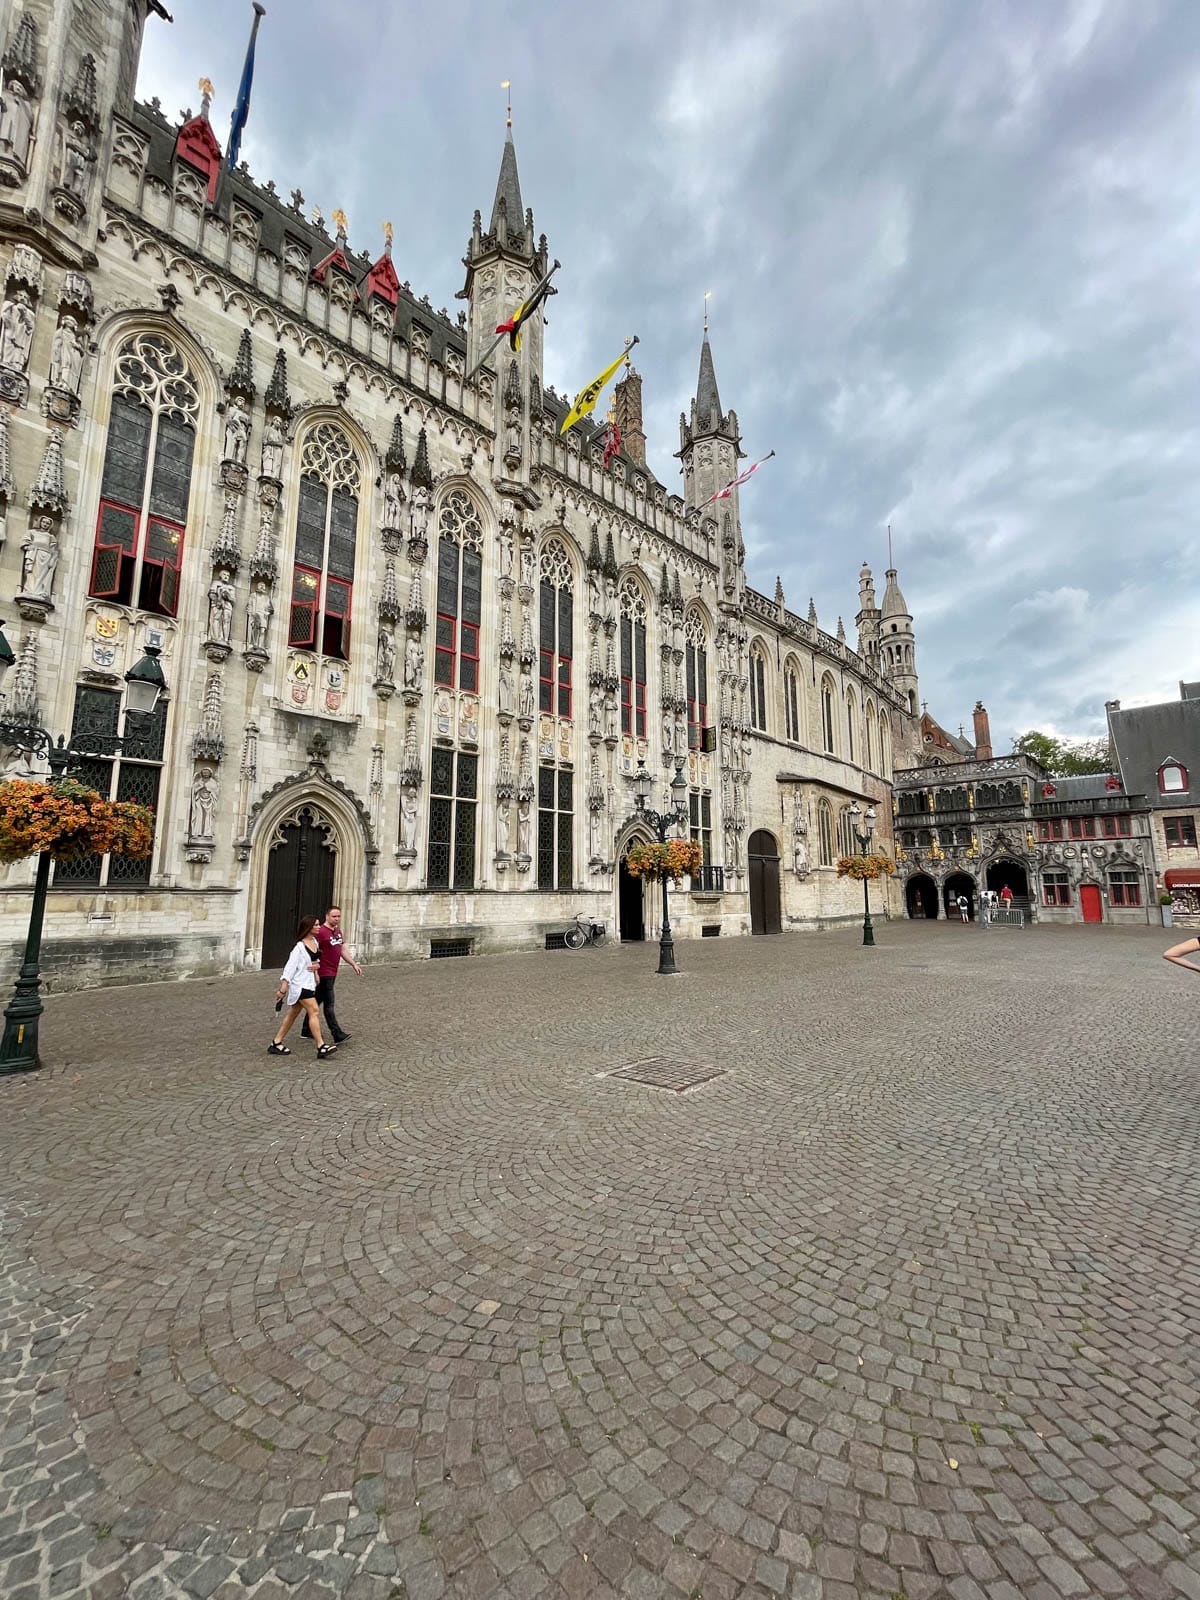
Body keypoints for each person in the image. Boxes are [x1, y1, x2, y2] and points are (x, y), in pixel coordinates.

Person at [269, 914, 336, 1057]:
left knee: (293, 1013)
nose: (319, 927)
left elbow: (315, 960)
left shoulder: (315, 943)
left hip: (309, 983)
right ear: (308, 927)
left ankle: (276, 1042)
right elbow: (289, 968)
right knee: (314, 1010)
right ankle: (321, 1046)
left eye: (319, 924)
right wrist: (283, 988)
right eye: (316, 925)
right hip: (299, 985)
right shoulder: (299, 948)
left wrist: (316, 971)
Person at [300, 905, 362, 1045]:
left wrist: (353, 964)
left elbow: (341, 949)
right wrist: (315, 972)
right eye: (334, 916)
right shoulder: (320, 932)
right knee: (329, 1003)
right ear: (327, 916)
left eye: (338, 916)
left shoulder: (338, 931)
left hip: (333, 971)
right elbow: (312, 950)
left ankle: (306, 1029)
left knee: (316, 1000)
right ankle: (336, 1033)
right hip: (324, 972)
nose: (337, 919)